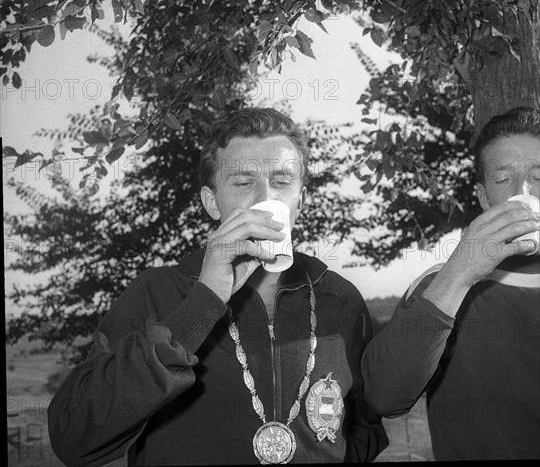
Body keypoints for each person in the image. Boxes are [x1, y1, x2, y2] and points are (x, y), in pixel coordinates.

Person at [48, 107, 388, 465]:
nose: (263, 198)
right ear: (212, 202)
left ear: (300, 202)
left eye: (282, 181)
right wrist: (203, 302)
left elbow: (363, 428)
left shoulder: (341, 297)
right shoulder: (153, 293)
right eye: (243, 182)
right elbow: (72, 434)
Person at [361, 106, 540, 461]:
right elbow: (383, 397)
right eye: (503, 179)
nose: (524, 191)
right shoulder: (440, 285)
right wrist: (459, 272)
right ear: (484, 197)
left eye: (539, 176)